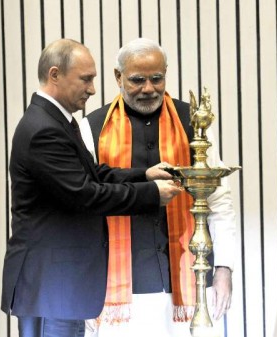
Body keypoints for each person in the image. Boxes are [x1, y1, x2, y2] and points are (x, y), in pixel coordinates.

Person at [0, 39, 182, 337]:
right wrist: (152, 195)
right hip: (51, 288)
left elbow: (93, 173)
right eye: (86, 79)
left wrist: (144, 175)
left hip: (60, 287)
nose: (93, 89)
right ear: (55, 75)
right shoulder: (44, 129)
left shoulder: (56, 120)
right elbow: (84, 194)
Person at [79, 37, 236, 337]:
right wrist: (83, 286)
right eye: (138, 80)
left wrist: (224, 271)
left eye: (157, 78)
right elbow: (84, 210)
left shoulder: (194, 123)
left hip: (188, 283)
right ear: (118, 77)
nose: (149, 88)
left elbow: (219, 201)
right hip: (115, 290)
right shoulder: (92, 127)